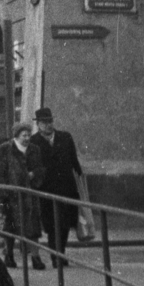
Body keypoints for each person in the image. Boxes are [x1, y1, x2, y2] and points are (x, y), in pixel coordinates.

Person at [0, 123, 47, 270]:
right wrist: (1, 196)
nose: (27, 138)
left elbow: (40, 168)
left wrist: (34, 174)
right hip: (10, 196)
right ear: (16, 136)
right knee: (10, 227)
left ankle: (35, 258)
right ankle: (9, 256)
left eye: (28, 135)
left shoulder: (34, 149)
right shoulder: (5, 149)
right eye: (24, 135)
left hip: (29, 195)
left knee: (33, 228)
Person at [30, 107, 83, 265]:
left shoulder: (65, 137)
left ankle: (61, 252)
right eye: (44, 122)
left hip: (66, 187)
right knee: (52, 224)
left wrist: (79, 175)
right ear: (38, 124)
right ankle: (56, 256)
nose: (48, 125)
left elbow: (74, 160)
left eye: (50, 121)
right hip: (46, 189)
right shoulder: (34, 142)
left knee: (65, 223)